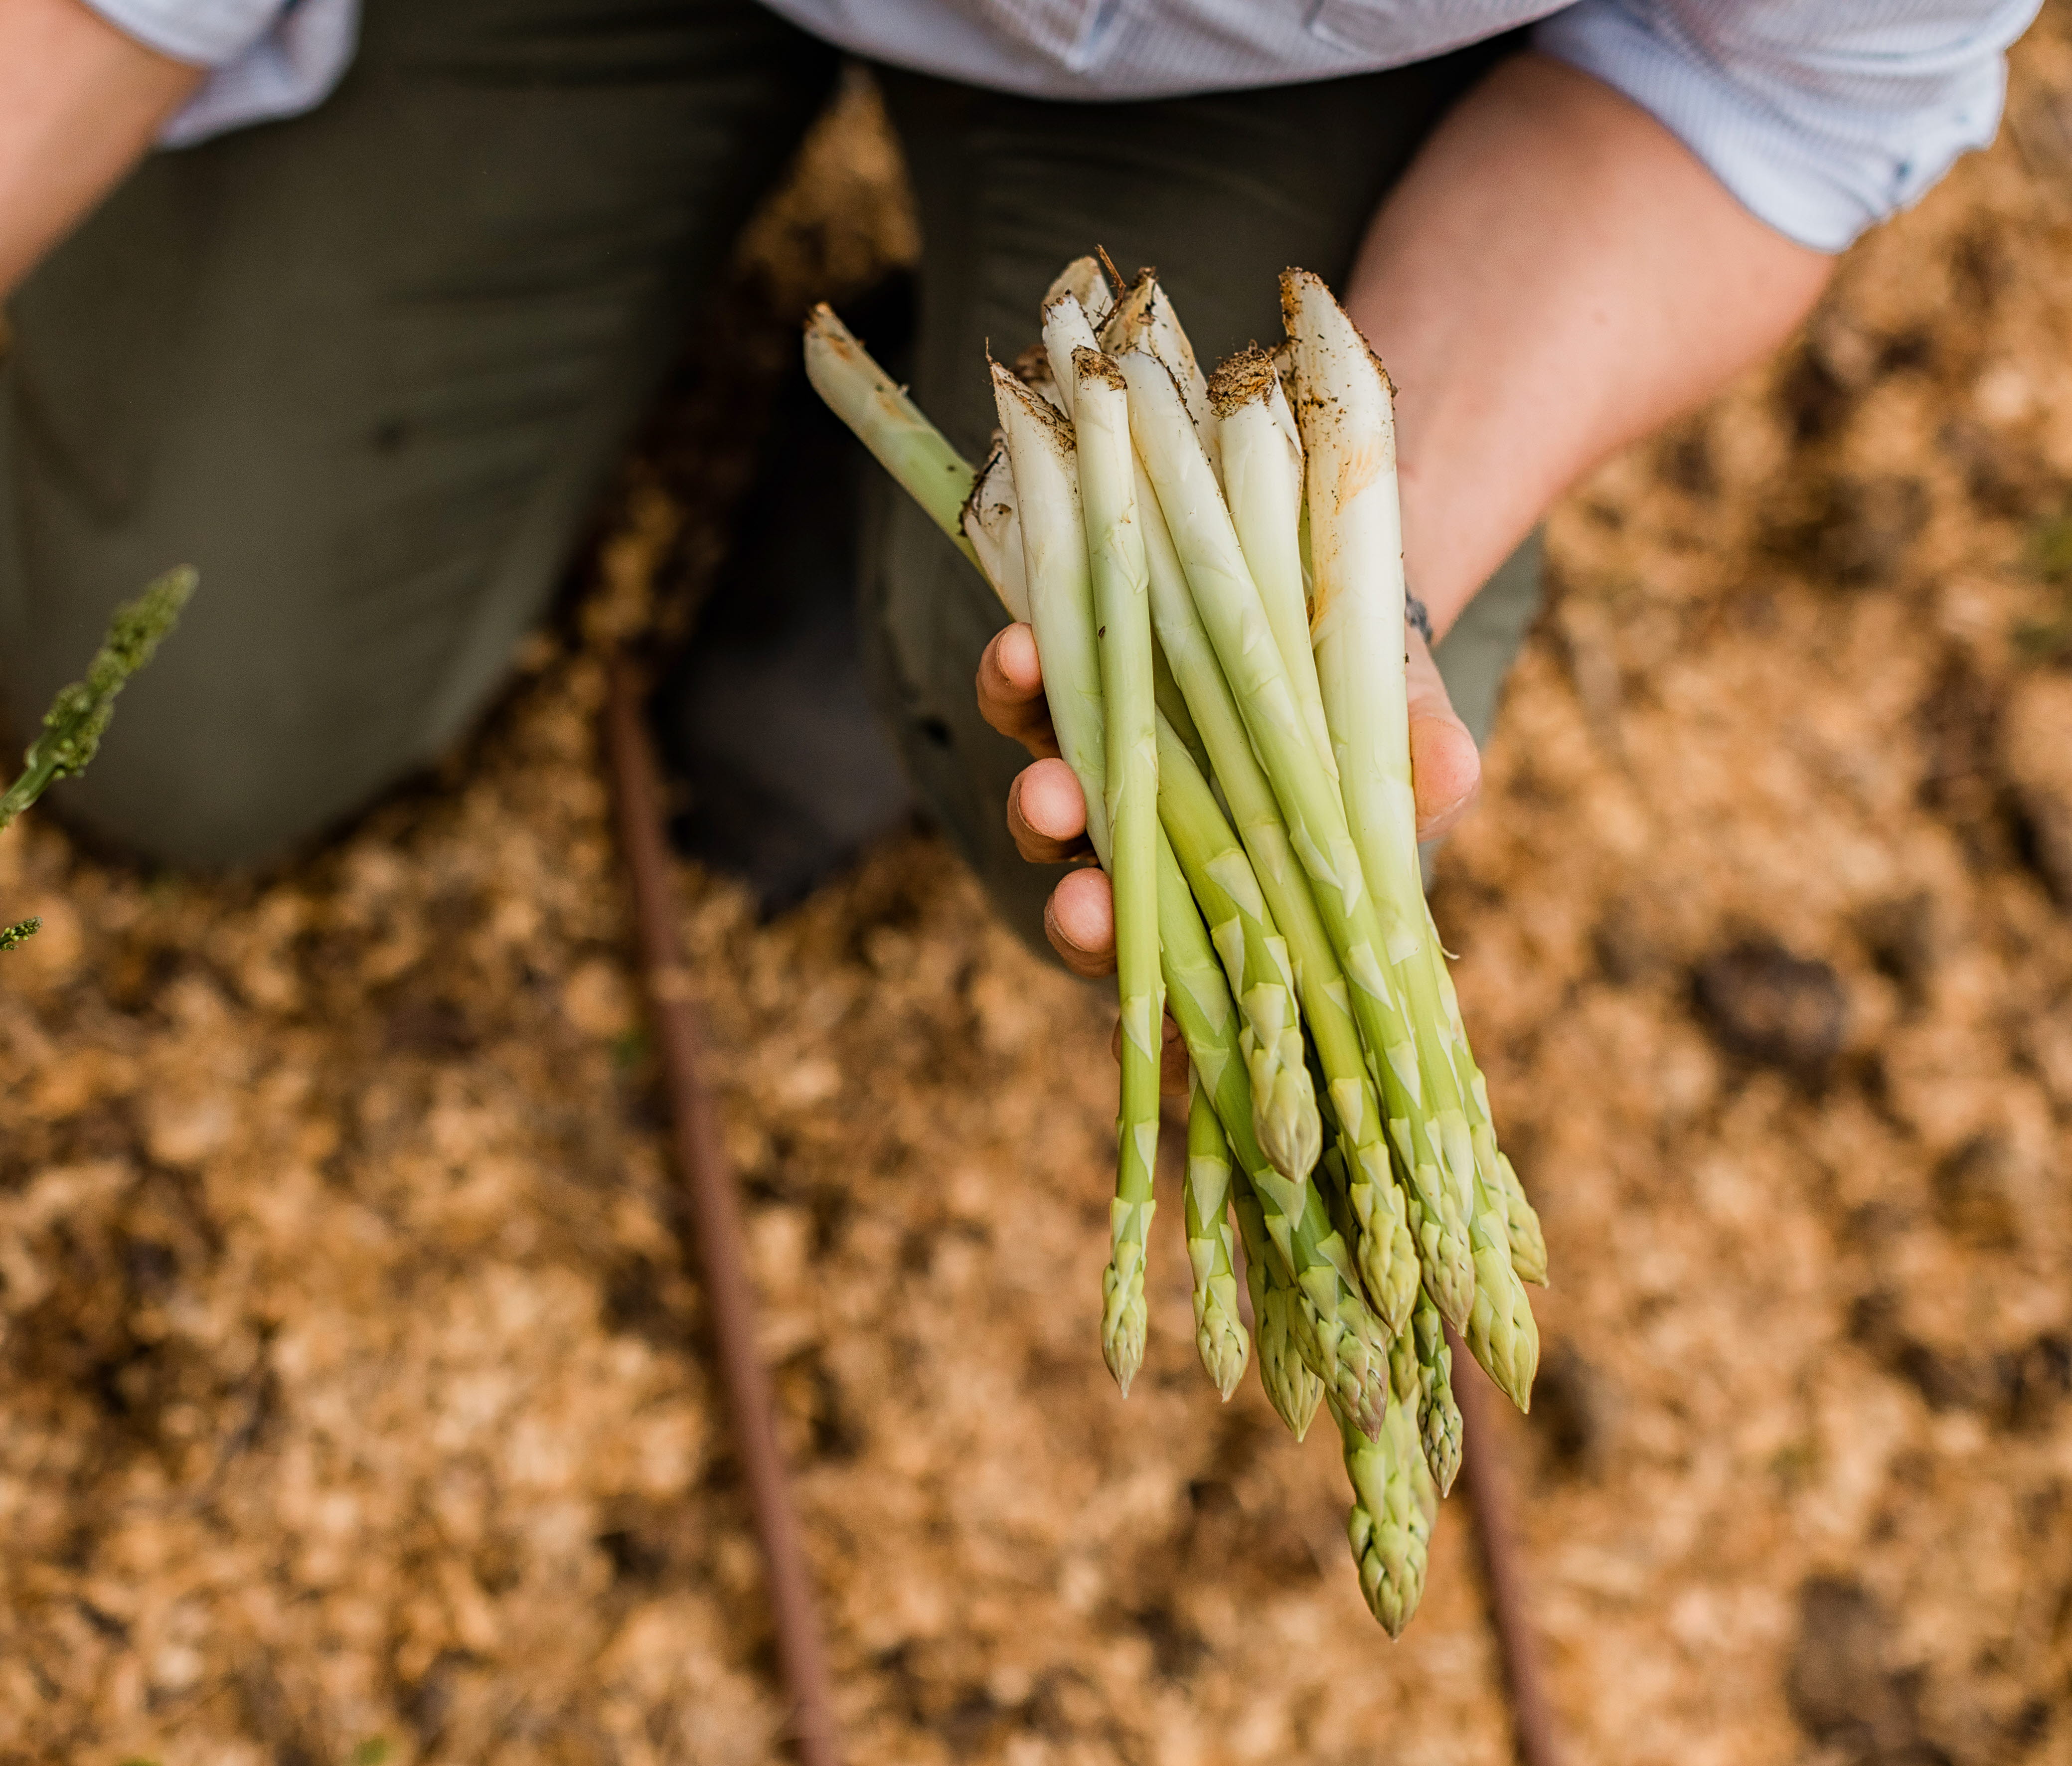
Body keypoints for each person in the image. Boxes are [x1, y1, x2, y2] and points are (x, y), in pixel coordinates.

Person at [0, 0, 2040, 981]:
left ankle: (915, 472)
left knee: (1195, 855)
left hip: (1264, 79)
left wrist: (1344, 572)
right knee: (186, 702)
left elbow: (1754, 101)